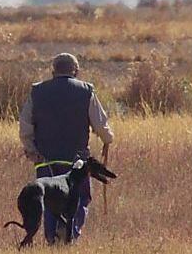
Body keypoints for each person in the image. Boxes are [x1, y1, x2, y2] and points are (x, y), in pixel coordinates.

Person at [18, 53, 114, 243]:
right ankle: (70, 234)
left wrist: (31, 150)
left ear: (53, 71)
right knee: (80, 199)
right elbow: (100, 124)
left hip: (45, 159)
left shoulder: (37, 92)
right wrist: (108, 139)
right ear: (76, 71)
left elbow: (25, 125)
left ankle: (52, 239)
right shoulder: (86, 91)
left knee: (49, 200)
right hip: (76, 162)